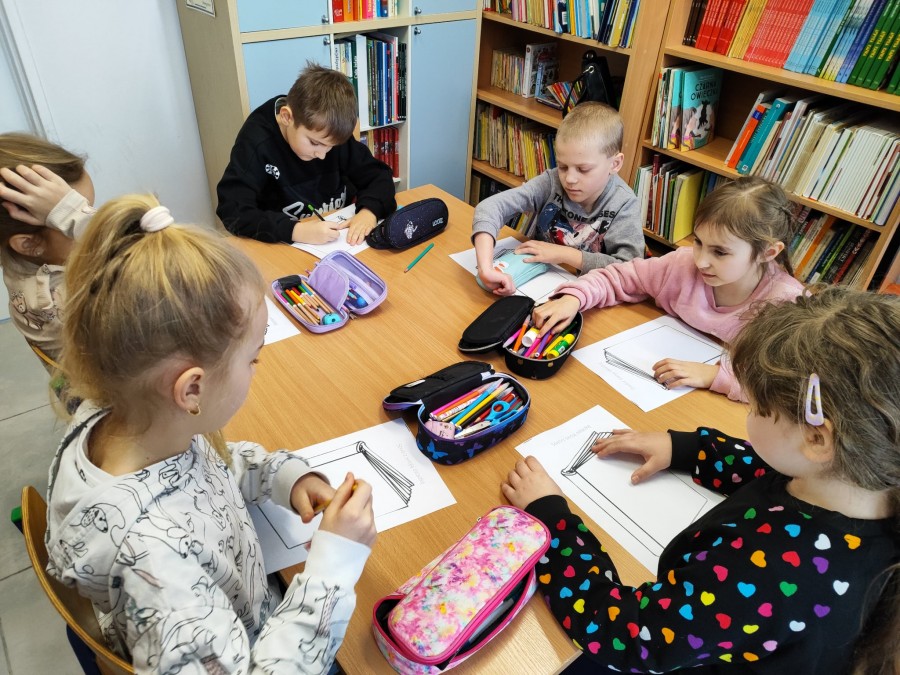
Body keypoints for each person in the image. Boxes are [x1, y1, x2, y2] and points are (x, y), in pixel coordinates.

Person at [44, 194, 377, 673]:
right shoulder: (154, 567)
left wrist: (286, 478)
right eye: (253, 358)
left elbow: (211, 469)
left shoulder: (133, 421)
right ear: (191, 390)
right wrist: (333, 566)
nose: (257, 368)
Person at [502, 286, 899, 674]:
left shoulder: (775, 574)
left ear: (817, 440)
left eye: (757, 406)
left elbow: (627, 635)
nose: (750, 412)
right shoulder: (855, 482)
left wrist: (552, 525)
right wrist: (686, 449)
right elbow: (766, 468)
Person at [533, 175, 804, 400]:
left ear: (768, 252)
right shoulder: (681, 264)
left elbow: (792, 386)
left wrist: (714, 375)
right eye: (698, 242)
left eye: (720, 252)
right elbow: (619, 277)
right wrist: (574, 298)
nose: (701, 261)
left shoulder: (788, 305)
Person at [472, 102, 643, 294]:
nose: (569, 179)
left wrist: (566, 255)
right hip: (535, 283)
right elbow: (489, 208)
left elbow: (630, 268)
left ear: (615, 164)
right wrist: (485, 268)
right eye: (562, 166)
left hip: (588, 295)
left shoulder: (624, 203)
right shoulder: (552, 181)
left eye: (583, 169)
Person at [217, 62, 396, 246]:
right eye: (314, 143)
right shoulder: (257, 141)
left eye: (331, 147)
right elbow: (232, 209)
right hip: (282, 243)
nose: (322, 155)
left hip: (336, 234)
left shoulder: (328, 130)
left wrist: (369, 212)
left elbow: (379, 176)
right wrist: (296, 231)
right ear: (287, 117)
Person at [0, 133, 95, 369]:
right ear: (29, 244)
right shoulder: (59, 299)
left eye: (87, 209)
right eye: (71, 223)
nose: (92, 224)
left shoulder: (22, 257)